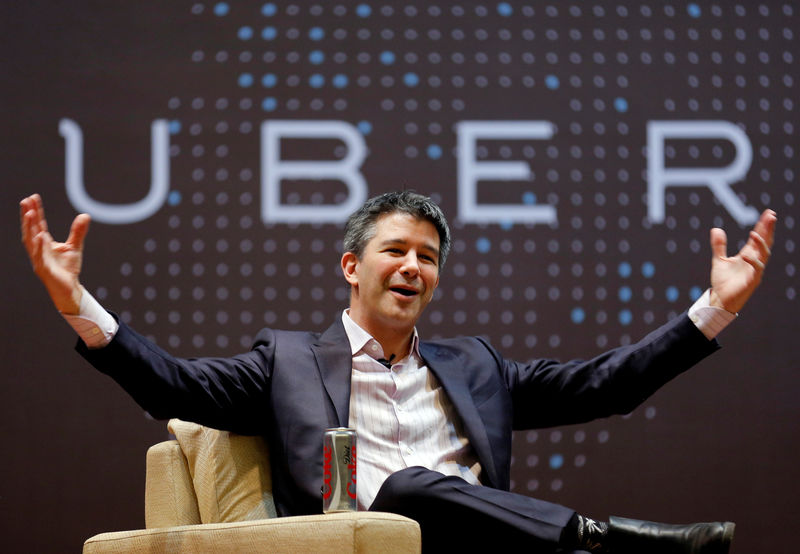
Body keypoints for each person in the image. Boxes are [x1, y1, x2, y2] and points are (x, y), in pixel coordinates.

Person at [20, 191, 776, 553]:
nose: (414, 267)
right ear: (352, 266)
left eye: (429, 258)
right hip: (366, 543)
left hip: (485, 546)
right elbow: (172, 386)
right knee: (407, 487)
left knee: (430, 489)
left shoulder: (474, 365)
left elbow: (605, 384)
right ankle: (600, 539)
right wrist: (77, 303)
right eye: (396, 251)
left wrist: (710, 311)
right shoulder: (284, 362)